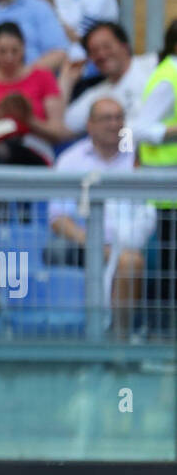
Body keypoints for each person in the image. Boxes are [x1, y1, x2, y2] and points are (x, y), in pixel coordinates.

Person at [49, 97, 154, 335]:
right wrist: (97, 245)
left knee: (130, 259)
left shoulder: (135, 155)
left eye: (119, 118)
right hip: (80, 244)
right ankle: (112, 343)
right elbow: (57, 218)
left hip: (131, 241)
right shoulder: (71, 159)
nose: (114, 124)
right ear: (90, 125)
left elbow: (146, 209)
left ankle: (119, 342)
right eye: (107, 118)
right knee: (127, 259)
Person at [0, 21, 63, 148]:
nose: (9, 58)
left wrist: (28, 119)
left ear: (23, 48)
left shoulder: (44, 77)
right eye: (2, 51)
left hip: (33, 147)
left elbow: (58, 132)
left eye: (14, 51)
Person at [138, 19, 177, 331]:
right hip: (165, 192)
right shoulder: (169, 77)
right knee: (167, 271)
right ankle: (158, 334)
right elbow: (139, 129)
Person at [62, 22, 159, 139]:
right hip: (129, 153)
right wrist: (66, 81)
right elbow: (62, 128)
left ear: (125, 46)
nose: (101, 54)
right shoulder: (96, 95)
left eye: (106, 46)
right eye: (94, 51)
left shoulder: (155, 64)